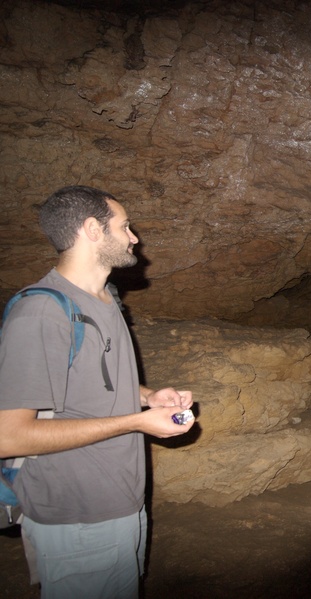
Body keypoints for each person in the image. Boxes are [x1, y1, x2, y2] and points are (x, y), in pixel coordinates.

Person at [0, 185, 196, 599]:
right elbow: (9, 436)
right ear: (92, 229)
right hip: (78, 517)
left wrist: (147, 397)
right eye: (124, 227)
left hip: (120, 502)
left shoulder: (105, 298)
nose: (133, 238)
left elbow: (88, 381)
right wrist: (136, 422)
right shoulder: (40, 313)